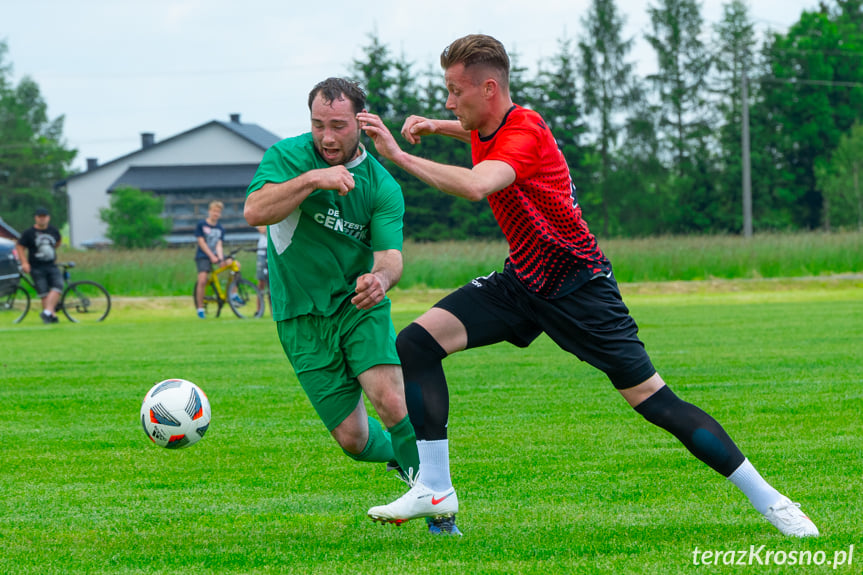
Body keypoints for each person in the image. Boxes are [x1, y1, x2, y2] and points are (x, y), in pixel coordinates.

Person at [358, 34, 818, 537]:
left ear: (488, 88)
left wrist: (398, 155)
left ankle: (773, 502)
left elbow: (475, 186)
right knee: (417, 343)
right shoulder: (492, 123)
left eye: (454, 91)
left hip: (580, 289)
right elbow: (475, 134)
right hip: (523, 282)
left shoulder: (524, 134)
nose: (447, 101)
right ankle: (436, 489)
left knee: (655, 402)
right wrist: (438, 126)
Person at [243, 77, 460, 535]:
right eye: (319, 124)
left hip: (358, 305)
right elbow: (255, 212)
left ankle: (440, 510)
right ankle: (405, 461)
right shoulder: (286, 157)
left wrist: (379, 281)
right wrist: (311, 180)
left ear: (360, 123)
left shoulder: (381, 186)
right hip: (299, 315)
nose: (327, 137)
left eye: (338, 126)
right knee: (354, 440)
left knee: (390, 400)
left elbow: (390, 259)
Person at [16, 207, 63, 324]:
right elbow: (20, 247)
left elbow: (58, 242)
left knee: (58, 286)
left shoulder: (53, 230)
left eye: (44, 217)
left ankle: (46, 312)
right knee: (44, 293)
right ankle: (51, 315)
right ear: (36, 218)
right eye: (40, 217)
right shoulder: (28, 233)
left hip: (51, 265)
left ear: (48, 218)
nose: (42, 219)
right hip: (36, 266)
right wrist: (24, 262)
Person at [193, 200, 229, 318]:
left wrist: (220, 257)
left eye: (218, 212)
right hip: (203, 255)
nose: (216, 214)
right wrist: (211, 256)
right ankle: (200, 308)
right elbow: (201, 242)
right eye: (214, 211)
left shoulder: (220, 228)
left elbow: (219, 244)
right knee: (202, 279)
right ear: (209, 211)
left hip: (215, 254)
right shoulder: (201, 225)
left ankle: (232, 294)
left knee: (233, 265)